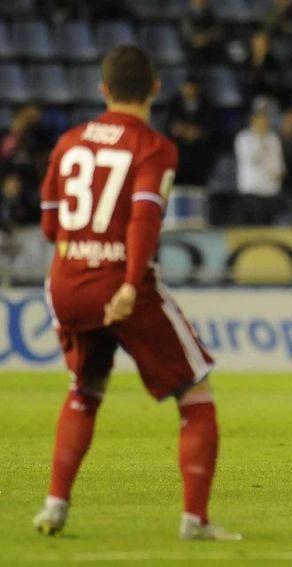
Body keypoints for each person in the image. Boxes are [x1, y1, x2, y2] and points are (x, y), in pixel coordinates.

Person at [34, 45, 240, 541]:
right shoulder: (153, 146)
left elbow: (47, 223)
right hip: (121, 282)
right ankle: (195, 519)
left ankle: (55, 505)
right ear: (155, 87)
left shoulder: (68, 142)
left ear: (103, 89)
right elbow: (145, 217)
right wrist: (127, 284)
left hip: (66, 281)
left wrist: (80, 251)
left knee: (83, 392)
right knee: (196, 392)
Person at [233, 110, 285, 224]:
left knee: (269, 227)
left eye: (265, 123)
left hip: (271, 191)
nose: (263, 126)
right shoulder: (243, 138)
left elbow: (278, 160)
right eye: (260, 123)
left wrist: (279, 173)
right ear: (253, 123)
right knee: (254, 227)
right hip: (253, 191)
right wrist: (260, 139)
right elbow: (251, 159)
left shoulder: (273, 138)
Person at [164, 75, 217, 186]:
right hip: (178, 155)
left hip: (199, 156)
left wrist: (190, 131)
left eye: (192, 88)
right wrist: (188, 131)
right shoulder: (174, 103)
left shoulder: (206, 105)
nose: (189, 91)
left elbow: (207, 131)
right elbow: (171, 128)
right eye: (186, 87)